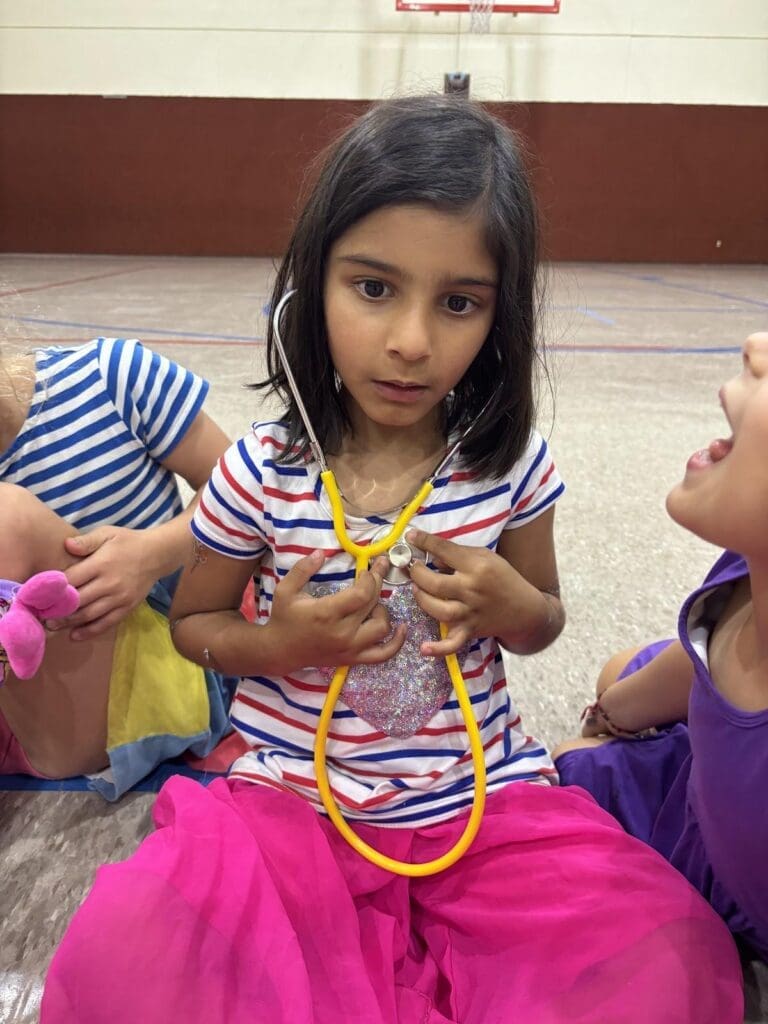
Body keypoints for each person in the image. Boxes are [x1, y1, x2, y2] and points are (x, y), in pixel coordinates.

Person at [41, 96, 743, 1023]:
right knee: (134, 965)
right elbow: (198, 631)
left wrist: (510, 606)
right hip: (288, 804)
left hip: (481, 799)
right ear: (311, 285)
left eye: (458, 303)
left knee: (659, 963)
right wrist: (277, 644)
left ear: (501, 318)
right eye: (373, 288)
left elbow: (547, 623)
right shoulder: (262, 471)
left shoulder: (510, 469)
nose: (412, 341)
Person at [554, 331, 768, 963]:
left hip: (730, 867)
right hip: (711, 762)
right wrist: (617, 712)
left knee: (566, 770)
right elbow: (695, 665)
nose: (755, 345)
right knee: (617, 676)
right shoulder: (750, 557)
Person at [0, 336, 234, 797]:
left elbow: (241, 491)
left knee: (8, 521)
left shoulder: (109, 376)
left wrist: (153, 553)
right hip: (24, 693)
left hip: (157, 675)